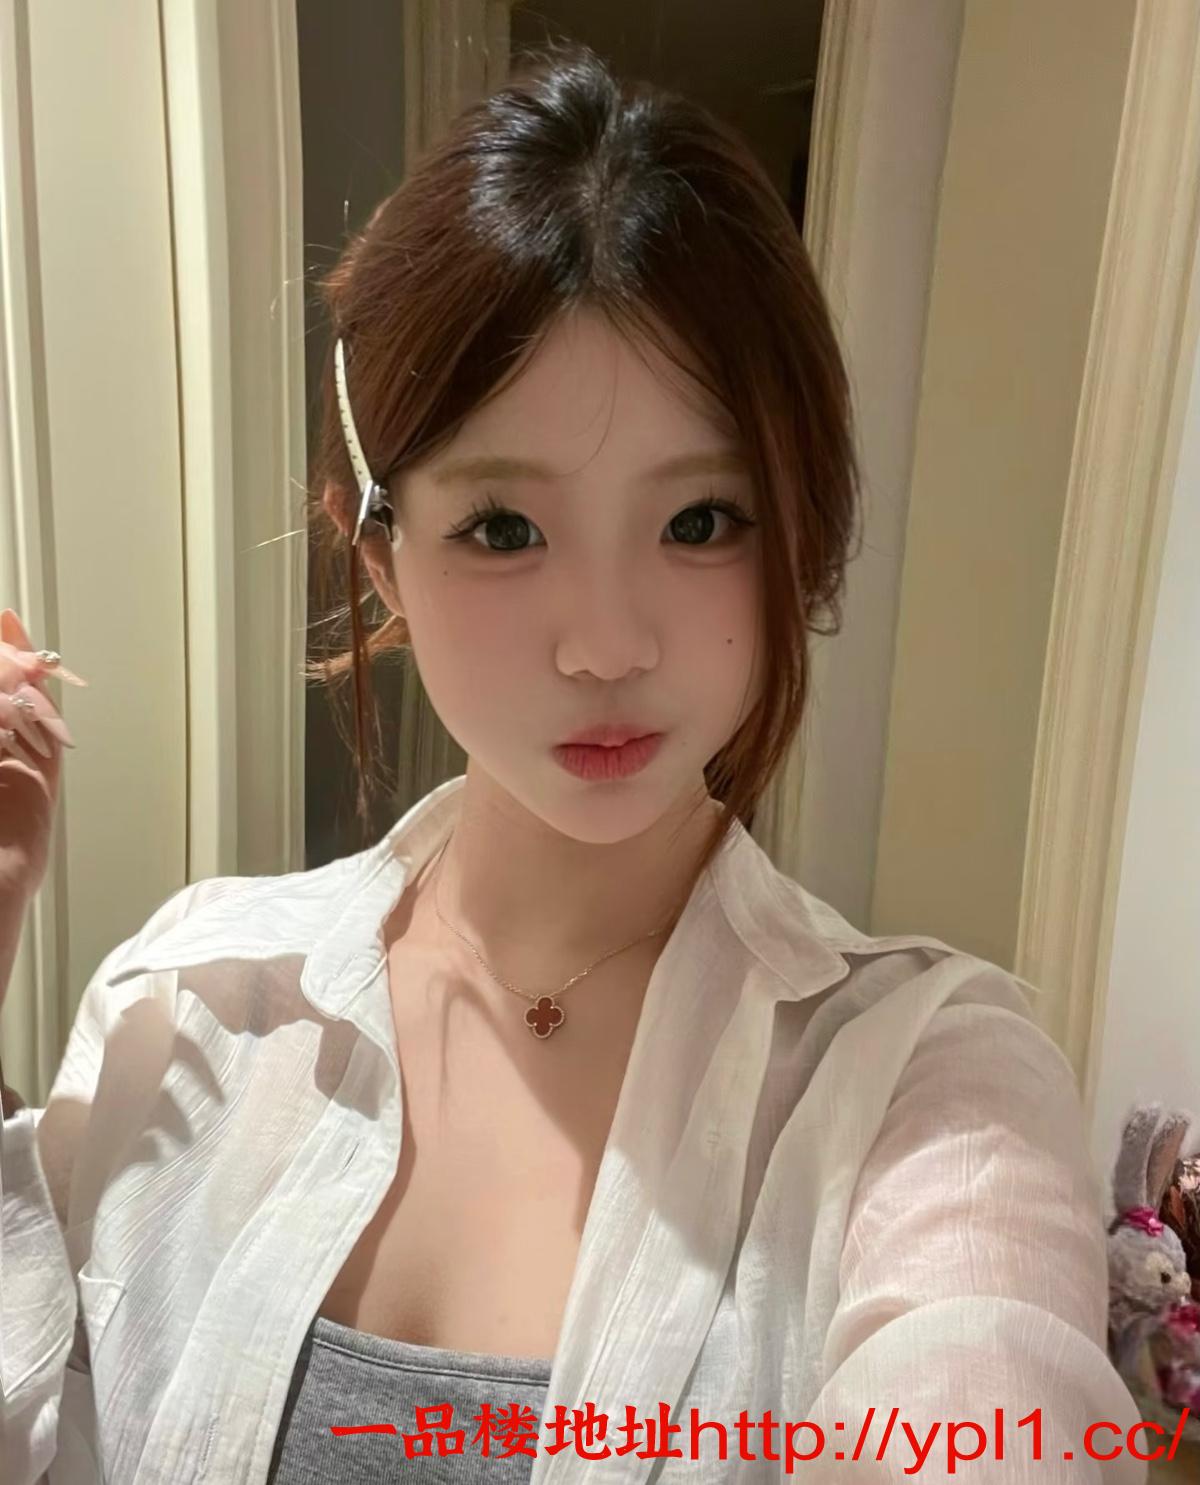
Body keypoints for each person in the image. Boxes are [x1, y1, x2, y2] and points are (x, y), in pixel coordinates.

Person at [0, 45, 1149, 1485]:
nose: (607, 645)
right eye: (502, 528)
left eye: (702, 519)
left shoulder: (928, 1086)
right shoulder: (186, 1008)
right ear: (381, 553)